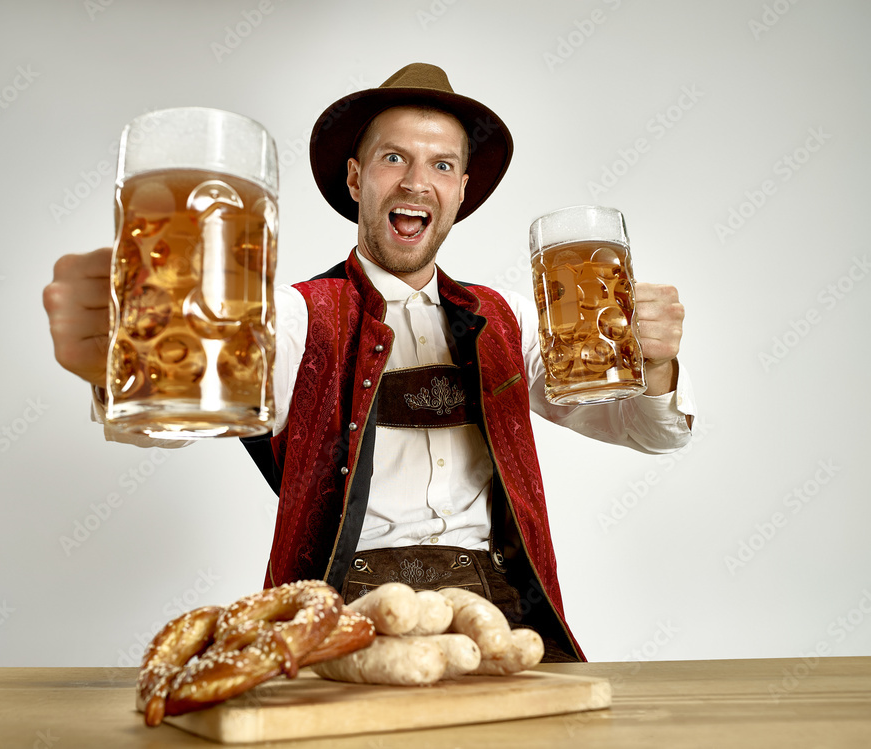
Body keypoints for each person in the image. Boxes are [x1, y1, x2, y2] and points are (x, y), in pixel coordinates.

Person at [43, 63, 695, 662]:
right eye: (393, 158)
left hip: (504, 608)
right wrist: (116, 357)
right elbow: (193, 403)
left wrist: (658, 361)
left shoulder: (517, 320)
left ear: (462, 192)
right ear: (357, 178)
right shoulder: (294, 317)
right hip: (346, 612)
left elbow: (651, 430)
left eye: (442, 165)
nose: (416, 181)